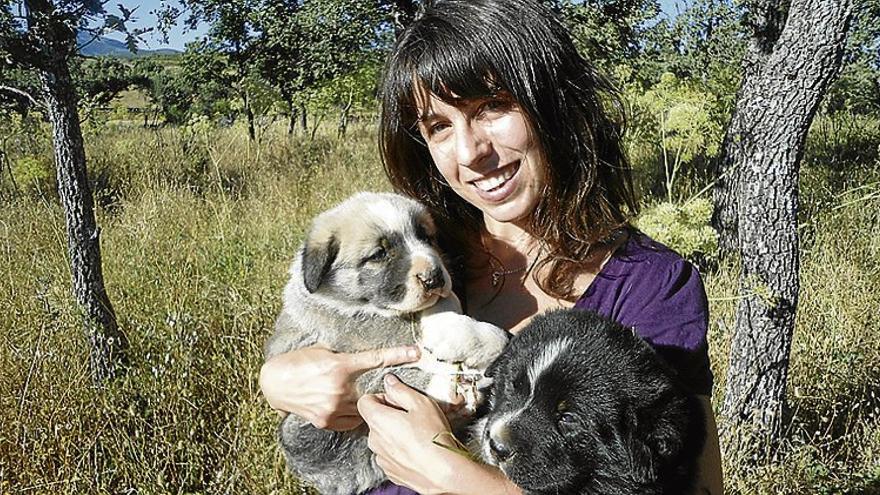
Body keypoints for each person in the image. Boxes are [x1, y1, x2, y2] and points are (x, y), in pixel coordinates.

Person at [259, 0, 724, 493]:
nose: (470, 153)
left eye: (492, 107)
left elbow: (694, 485)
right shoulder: (427, 257)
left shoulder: (648, 288)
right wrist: (279, 379)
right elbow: (312, 349)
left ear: (553, 101)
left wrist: (448, 473)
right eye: (439, 127)